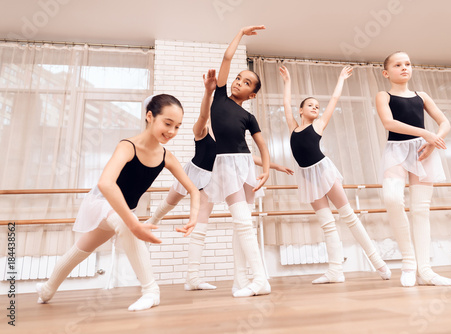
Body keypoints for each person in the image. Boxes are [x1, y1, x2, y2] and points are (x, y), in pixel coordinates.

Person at [36, 94, 201, 311]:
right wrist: (133, 224)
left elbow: (192, 189)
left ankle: (46, 290)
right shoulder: (127, 146)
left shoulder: (166, 156)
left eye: (178, 127)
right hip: (101, 203)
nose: (172, 131)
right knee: (128, 224)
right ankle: (152, 291)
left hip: (120, 211)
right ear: (150, 116)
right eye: (167, 123)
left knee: (77, 252)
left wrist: (194, 216)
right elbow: (106, 183)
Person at [147, 69, 293, 292]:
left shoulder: (229, 135)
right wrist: (208, 93)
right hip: (194, 172)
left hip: (212, 178)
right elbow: (204, 116)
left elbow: (246, 156)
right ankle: (152, 221)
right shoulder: (202, 129)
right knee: (169, 202)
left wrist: (274, 166)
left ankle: (192, 278)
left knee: (200, 225)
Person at [279, 65, 391, 284]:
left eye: (316, 106)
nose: (315, 108)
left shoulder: (319, 125)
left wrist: (341, 78)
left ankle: (378, 262)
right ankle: (335, 271)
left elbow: (334, 99)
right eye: (309, 105)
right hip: (306, 177)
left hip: (322, 171)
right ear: (300, 111)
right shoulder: (293, 127)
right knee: (327, 223)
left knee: (348, 216)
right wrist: (287, 82)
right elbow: (285, 104)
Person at [201, 25, 272, 298]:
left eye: (245, 83)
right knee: (241, 222)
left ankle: (252, 279)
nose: (238, 82)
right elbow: (227, 59)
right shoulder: (218, 96)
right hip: (225, 164)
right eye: (238, 78)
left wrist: (265, 171)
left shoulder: (249, 116)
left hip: (244, 164)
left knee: (243, 223)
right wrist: (240, 34)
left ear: (251, 95)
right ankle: (248, 279)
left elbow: (262, 145)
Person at [376, 51, 451, 287]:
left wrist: (433, 142)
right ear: (386, 72)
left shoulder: (422, 95)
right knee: (392, 198)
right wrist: (424, 133)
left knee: (421, 210)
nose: (404, 68)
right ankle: (409, 262)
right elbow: (389, 123)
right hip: (397, 150)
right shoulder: (384, 95)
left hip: (423, 152)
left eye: (408, 64)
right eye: (398, 64)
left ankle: (426, 270)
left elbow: (445, 122)